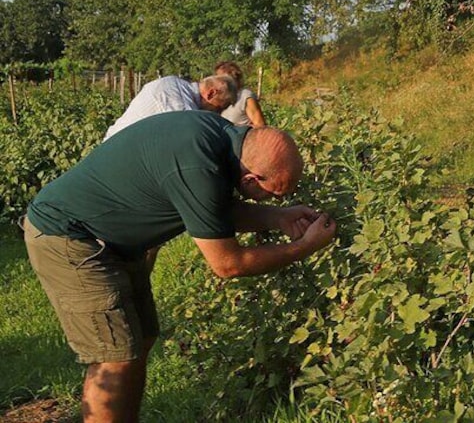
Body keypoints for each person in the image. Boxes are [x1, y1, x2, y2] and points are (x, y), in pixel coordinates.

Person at [23, 111, 336, 422]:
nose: (279, 200)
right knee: (114, 357)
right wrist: (303, 247)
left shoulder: (223, 139)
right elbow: (228, 264)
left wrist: (277, 217)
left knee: (141, 340)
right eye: (275, 194)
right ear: (250, 179)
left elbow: (210, 210)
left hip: (113, 242)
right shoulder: (198, 164)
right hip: (70, 237)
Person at [104, 74, 237, 139]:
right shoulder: (178, 99)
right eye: (220, 107)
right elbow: (189, 136)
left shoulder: (177, 88)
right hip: (115, 157)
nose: (219, 114)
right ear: (211, 93)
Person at [214, 60, 267, 127]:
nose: (219, 82)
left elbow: (260, 125)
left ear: (234, 77)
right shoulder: (219, 98)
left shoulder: (245, 96)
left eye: (223, 79)